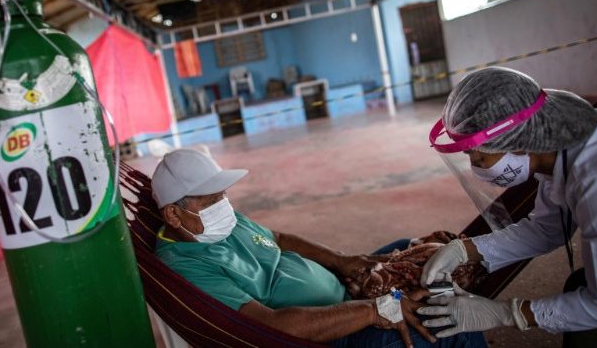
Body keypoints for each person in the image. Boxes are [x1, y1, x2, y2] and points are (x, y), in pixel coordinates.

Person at [152, 148, 486, 347]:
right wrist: (376, 309)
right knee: (450, 320)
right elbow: (270, 325)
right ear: (173, 213)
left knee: (408, 249)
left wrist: (341, 262)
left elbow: (279, 240)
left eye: (223, 195)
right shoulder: (186, 266)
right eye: (212, 200)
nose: (224, 205)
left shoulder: (212, 224)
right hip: (334, 333)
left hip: (344, 292)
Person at [417, 67, 597, 347]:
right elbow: (546, 229)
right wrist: (465, 250)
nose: (475, 165)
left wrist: (507, 314)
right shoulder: (564, 150)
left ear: (516, 141)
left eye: (477, 157)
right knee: (579, 285)